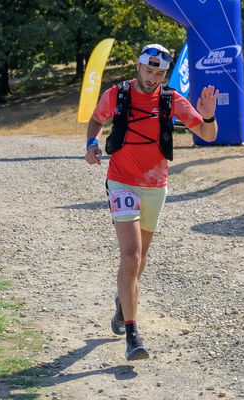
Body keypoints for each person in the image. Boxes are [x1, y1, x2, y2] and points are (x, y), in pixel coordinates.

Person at [84, 43, 218, 361]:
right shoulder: (117, 95)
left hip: (156, 186)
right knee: (131, 256)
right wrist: (91, 144)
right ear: (138, 66)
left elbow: (208, 134)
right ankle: (133, 335)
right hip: (121, 180)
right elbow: (96, 120)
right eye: (148, 71)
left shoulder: (171, 100)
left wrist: (209, 115)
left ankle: (123, 303)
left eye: (159, 74)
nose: (152, 78)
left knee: (140, 259)